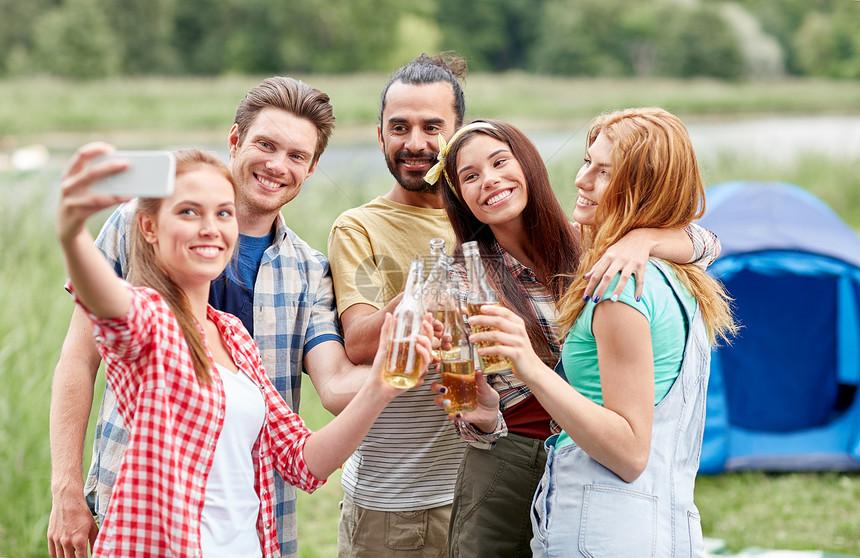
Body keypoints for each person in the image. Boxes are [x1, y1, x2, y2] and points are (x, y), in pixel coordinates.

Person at [55, 146, 434, 557]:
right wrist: (72, 230)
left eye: (223, 213)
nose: (210, 228)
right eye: (188, 212)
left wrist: (380, 385)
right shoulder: (147, 319)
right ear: (148, 228)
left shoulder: (233, 336)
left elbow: (301, 460)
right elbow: (106, 300)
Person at [424, 119, 721, 557]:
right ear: (460, 198)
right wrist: (483, 417)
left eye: (499, 162)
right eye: (469, 177)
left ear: (527, 165)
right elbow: (462, 398)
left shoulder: (590, 240)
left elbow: (709, 242)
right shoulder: (454, 281)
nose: (489, 181)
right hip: (512, 454)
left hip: (597, 449)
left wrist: (643, 240)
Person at [326, 52, 467, 557]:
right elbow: (362, 342)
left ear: (459, 132)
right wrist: (431, 282)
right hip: (396, 501)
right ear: (380, 134)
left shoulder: (488, 214)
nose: (415, 144)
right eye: (399, 127)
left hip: (485, 488)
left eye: (433, 127)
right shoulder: (358, 226)